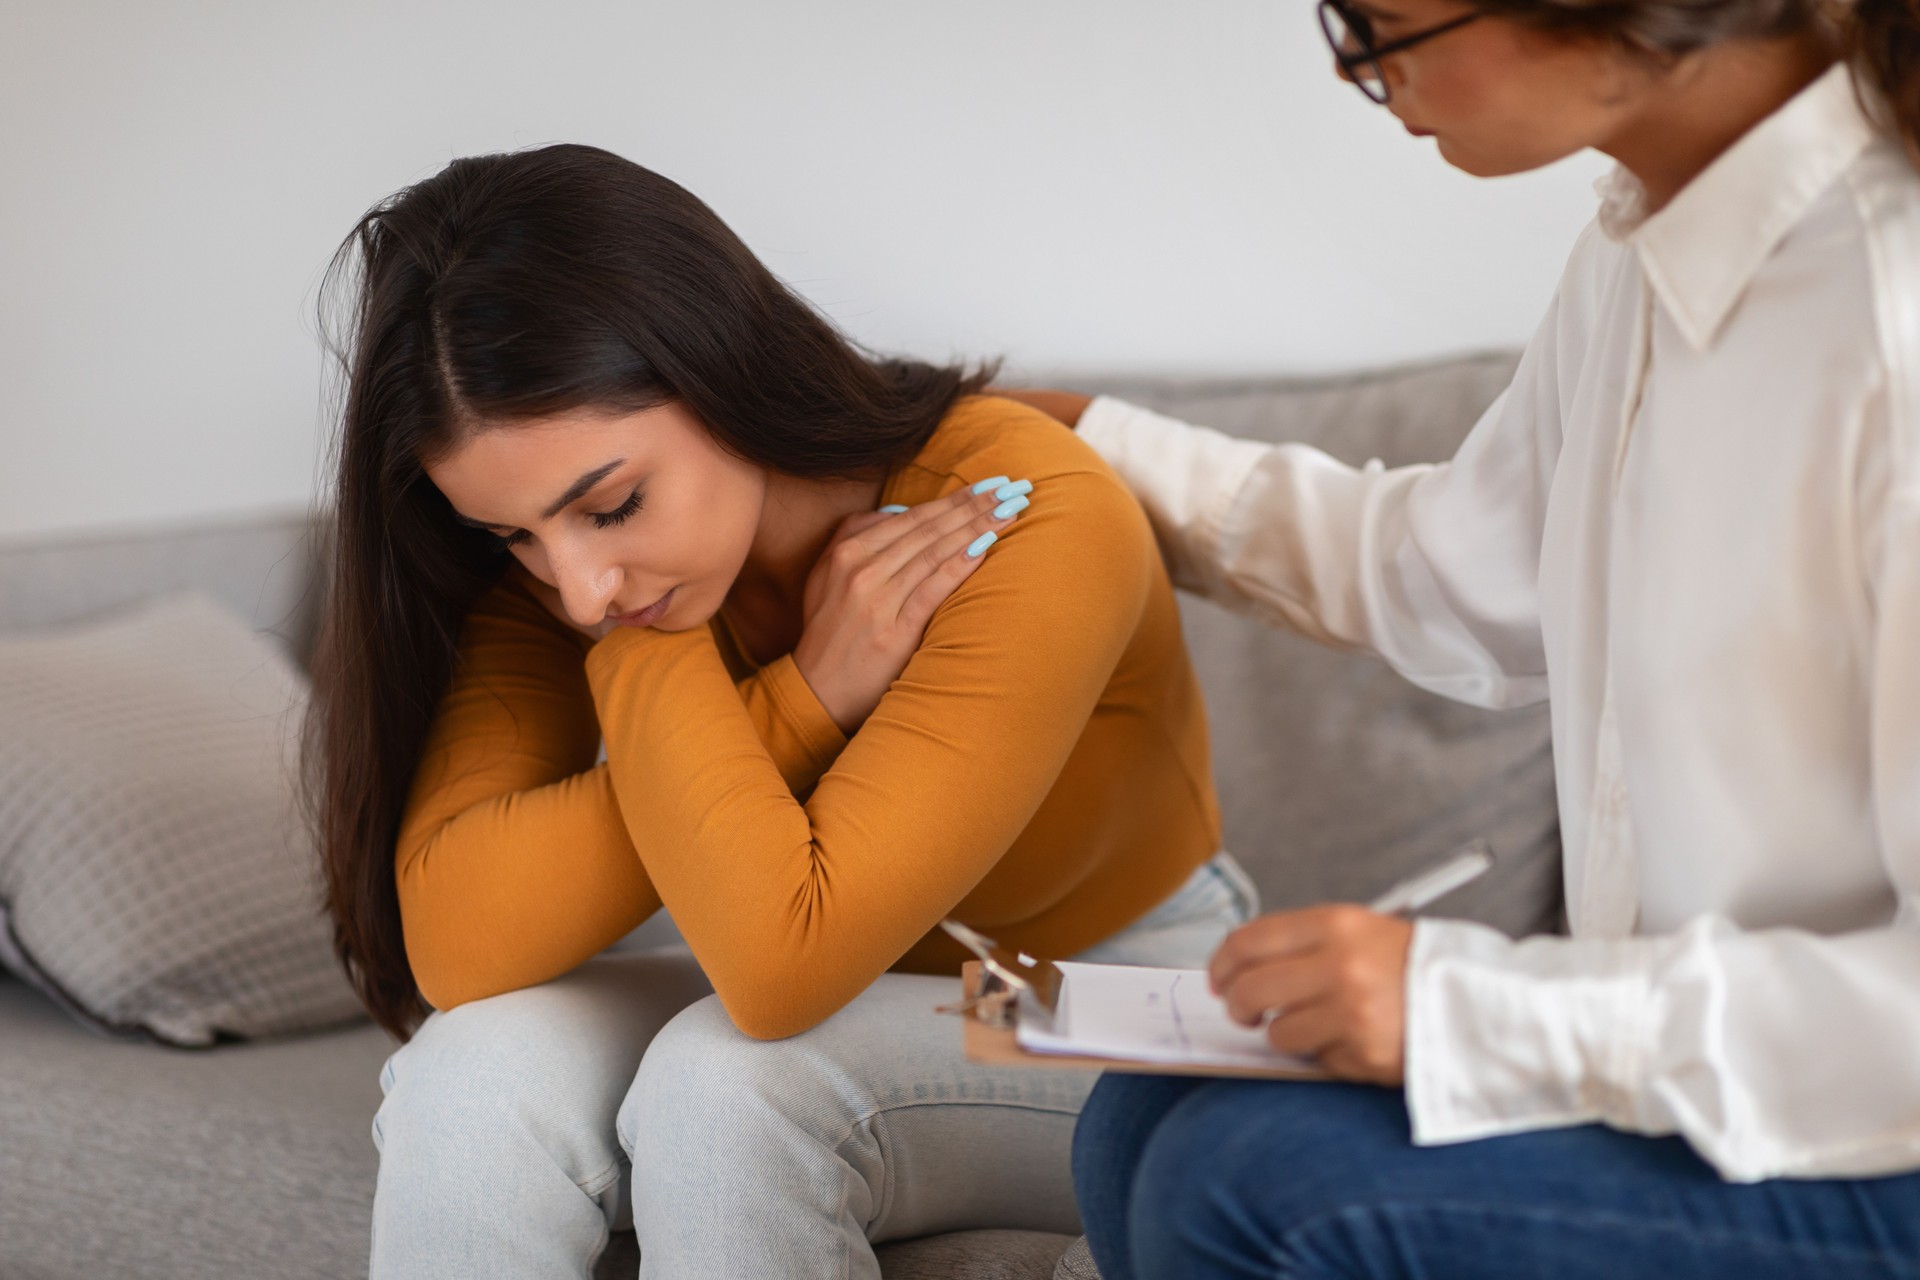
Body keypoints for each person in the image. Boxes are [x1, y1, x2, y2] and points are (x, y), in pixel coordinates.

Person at [1007, 0, 1920, 1274]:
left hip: (1879, 1132)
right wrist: (1091, 447)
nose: (1352, 67)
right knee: (1142, 1113)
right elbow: (1460, 571)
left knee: (1255, 1181)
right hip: (1752, 1073)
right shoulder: (1644, 244)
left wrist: (1470, 1013)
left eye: (1375, 19)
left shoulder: (1888, 326)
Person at [303, 144, 1257, 1279]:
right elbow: (460, 942)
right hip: (866, 996)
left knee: (730, 1078)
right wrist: (803, 693)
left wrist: (647, 668)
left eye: (611, 505)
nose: (578, 588)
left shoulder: (1013, 510)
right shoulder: (587, 580)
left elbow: (776, 965)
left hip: (1126, 997)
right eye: (512, 536)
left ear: (720, 366)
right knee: (473, 1074)